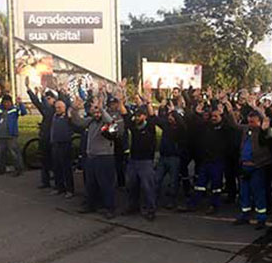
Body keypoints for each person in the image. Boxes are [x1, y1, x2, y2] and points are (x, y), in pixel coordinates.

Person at [71, 96, 123, 219]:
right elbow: (78, 121)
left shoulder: (106, 122)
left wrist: (101, 109)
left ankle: (110, 208)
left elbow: (111, 123)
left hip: (104, 157)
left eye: (98, 112)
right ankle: (91, 205)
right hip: (91, 157)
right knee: (90, 183)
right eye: (95, 112)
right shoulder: (91, 121)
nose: (96, 114)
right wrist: (74, 109)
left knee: (106, 184)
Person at [229, 109, 272, 229]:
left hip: (257, 167)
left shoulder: (263, 131)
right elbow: (234, 125)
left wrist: (265, 126)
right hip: (244, 166)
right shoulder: (245, 130)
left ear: (259, 122)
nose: (250, 124)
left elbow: (269, 135)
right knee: (244, 193)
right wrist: (229, 110)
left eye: (253, 122)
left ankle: (261, 218)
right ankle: (245, 215)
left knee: (258, 193)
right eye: (249, 121)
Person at [119, 93, 158, 221]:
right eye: (136, 115)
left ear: (144, 116)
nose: (136, 118)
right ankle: (133, 206)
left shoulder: (150, 126)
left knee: (148, 187)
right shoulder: (134, 126)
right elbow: (125, 115)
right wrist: (120, 101)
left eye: (139, 115)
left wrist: (148, 103)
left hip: (146, 162)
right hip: (133, 160)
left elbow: (152, 115)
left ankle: (151, 209)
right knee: (131, 185)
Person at [155, 99, 187, 210]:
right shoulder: (166, 126)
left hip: (174, 158)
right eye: (169, 116)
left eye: (172, 116)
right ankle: (154, 201)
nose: (170, 118)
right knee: (157, 179)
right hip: (163, 157)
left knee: (173, 182)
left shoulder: (180, 129)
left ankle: (172, 201)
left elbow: (182, 124)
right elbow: (157, 120)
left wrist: (175, 112)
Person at [26, 79, 57, 189]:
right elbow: (37, 103)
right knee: (44, 161)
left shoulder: (56, 110)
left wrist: (43, 94)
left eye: (49, 98)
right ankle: (46, 182)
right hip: (44, 138)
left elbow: (43, 105)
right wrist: (29, 90)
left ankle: (58, 183)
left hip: (53, 140)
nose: (47, 100)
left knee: (54, 162)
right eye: (46, 98)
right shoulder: (46, 110)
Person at [0, 94, 26, 176]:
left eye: (8, 102)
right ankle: (1, 169)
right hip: (1, 135)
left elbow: (23, 112)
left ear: (11, 103)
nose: (6, 104)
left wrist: (20, 103)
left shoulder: (14, 110)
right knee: (1, 153)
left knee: (14, 152)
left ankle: (19, 168)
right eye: (5, 102)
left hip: (11, 135)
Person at [50, 99, 75, 198]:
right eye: (56, 107)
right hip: (55, 144)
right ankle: (59, 187)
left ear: (64, 108)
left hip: (65, 144)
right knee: (57, 167)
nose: (57, 109)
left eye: (59, 107)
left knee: (66, 168)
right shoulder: (54, 116)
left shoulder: (67, 117)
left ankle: (70, 190)